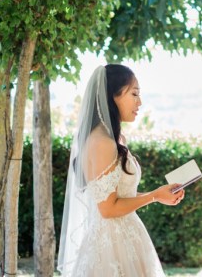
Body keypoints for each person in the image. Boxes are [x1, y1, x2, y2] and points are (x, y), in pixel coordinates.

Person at [58, 64, 184, 277]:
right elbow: (108, 209)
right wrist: (153, 196)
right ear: (112, 96)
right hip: (110, 247)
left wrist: (160, 194)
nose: (139, 102)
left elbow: (119, 197)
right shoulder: (101, 142)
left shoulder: (115, 139)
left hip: (128, 237)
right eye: (134, 94)